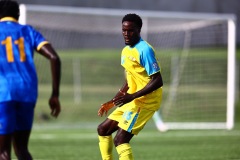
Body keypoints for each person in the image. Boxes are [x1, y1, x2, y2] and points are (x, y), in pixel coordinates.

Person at [0, 1, 61, 160]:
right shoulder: (27, 31)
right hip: (27, 93)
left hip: (3, 93)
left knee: (3, 153)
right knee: (21, 149)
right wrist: (55, 95)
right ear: (18, 16)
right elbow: (54, 57)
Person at [97, 13, 163, 160]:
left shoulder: (144, 50)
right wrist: (113, 101)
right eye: (124, 30)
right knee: (103, 129)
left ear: (139, 30)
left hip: (145, 101)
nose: (126, 34)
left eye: (131, 30)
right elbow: (130, 80)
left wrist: (132, 96)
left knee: (120, 140)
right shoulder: (125, 51)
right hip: (131, 99)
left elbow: (158, 80)